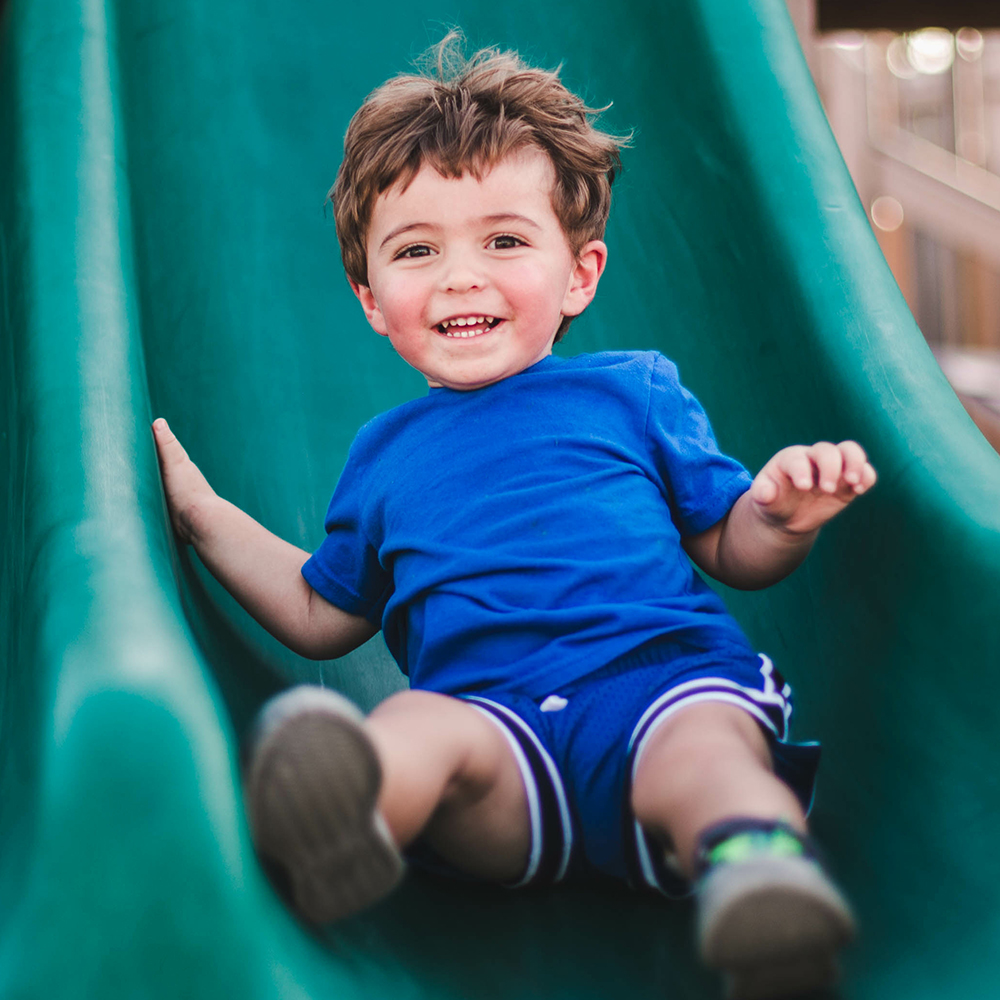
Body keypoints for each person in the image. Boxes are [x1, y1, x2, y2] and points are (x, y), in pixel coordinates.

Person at [153, 36, 875, 999]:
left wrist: (782, 517)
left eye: (503, 240)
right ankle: (348, 821)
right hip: (496, 737)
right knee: (417, 724)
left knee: (707, 750)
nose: (460, 276)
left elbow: (729, 547)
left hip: (656, 689)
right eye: (418, 251)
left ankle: (757, 881)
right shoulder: (383, 455)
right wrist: (201, 516)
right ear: (371, 298)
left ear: (580, 273)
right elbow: (323, 613)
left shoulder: (632, 395)